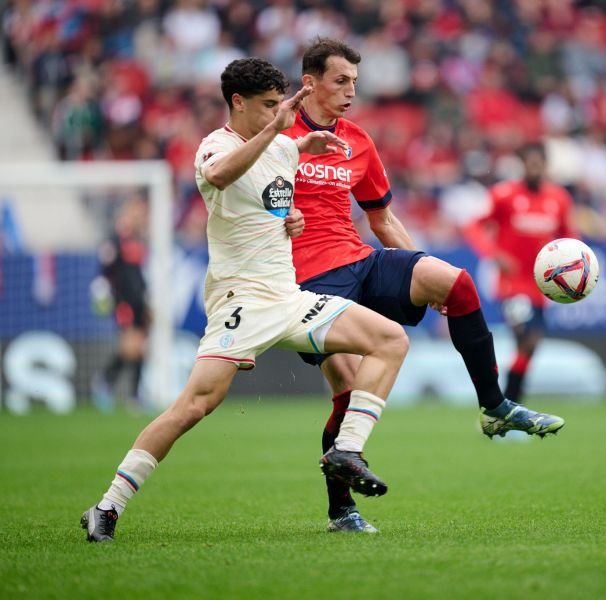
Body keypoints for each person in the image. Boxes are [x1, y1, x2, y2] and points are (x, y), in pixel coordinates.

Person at [81, 57, 409, 542]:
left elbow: (274, 200)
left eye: (280, 104)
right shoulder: (216, 146)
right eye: (268, 105)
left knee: (390, 339)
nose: (278, 113)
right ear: (238, 102)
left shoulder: (283, 147)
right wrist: (280, 133)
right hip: (242, 302)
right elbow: (219, 177)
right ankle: (107, 506)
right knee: (194, 406)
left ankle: (348, 451)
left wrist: (293, 213)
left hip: (290, 297)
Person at [282, 38, 564, 533]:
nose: (351, 91)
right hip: (307, 284)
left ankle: (494, 406)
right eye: (340, 81)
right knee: (347, 389)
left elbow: (383, 220)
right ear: (310, 83)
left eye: (354, 82)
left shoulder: (358, 141)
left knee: (454, 282)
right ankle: (341, 511)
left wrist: (420, 269)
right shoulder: (278, 136)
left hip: (358, 261)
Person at [464, 142, 578, 405]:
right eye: (530, 164)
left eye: (539, 164)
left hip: (542, 285)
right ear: (523, 165)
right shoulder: (504, 195)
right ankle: (507, 403)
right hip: (512, 285)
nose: (534, 169)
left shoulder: (558, 199)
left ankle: (504, 405)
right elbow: (474, 226)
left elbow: (569, 236)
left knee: (529, 346)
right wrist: (494, 254)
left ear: (546, 166)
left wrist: (572, 263)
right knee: (527, 339)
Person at [91, 195, 150, 412]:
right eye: (135, 213)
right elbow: (104, 272)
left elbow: (138, 275)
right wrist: (104, 295)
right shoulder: (114, 241)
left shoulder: (138, 240)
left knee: (139, 349)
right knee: (132, 347)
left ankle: (123, 389)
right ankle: (111, 383)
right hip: (124, 302)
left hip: (139, 301)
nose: (138, 217)